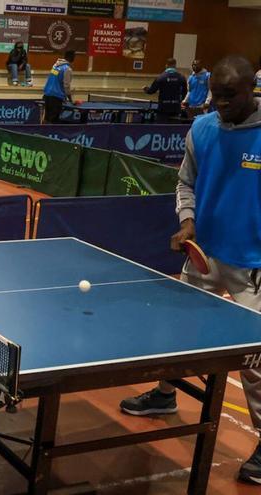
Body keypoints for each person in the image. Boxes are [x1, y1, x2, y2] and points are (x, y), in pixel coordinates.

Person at [118, 55, 261, 485]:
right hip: (205, 254)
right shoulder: (202, 128)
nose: (219, 103)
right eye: (215, 94)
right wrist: (187, 221)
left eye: (229, 96)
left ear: (252, 89)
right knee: (176, 333)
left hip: (252, 265)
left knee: (254, 362)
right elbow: (186, 182)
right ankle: (164, 396)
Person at [144, 58, 187, 123]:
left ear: (166, 65)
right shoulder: (181, 77)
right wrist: (180, 101)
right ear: (175, 65)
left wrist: (145, 89)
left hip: (163, 108)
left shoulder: (161, 77)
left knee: (161, 129)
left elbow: (151, 91)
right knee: (174, 129)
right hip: (175, 108)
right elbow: (185, 92)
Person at [42, 50, 75, 124]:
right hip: (56, 97)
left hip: (47, 94)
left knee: (47, 118)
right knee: (53, 120)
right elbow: (66, 86)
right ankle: (50, 134)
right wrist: (70, 99)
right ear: (72, 57)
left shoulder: (55, 65)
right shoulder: (67, 69)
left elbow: (54, 80)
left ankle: (45, 133)